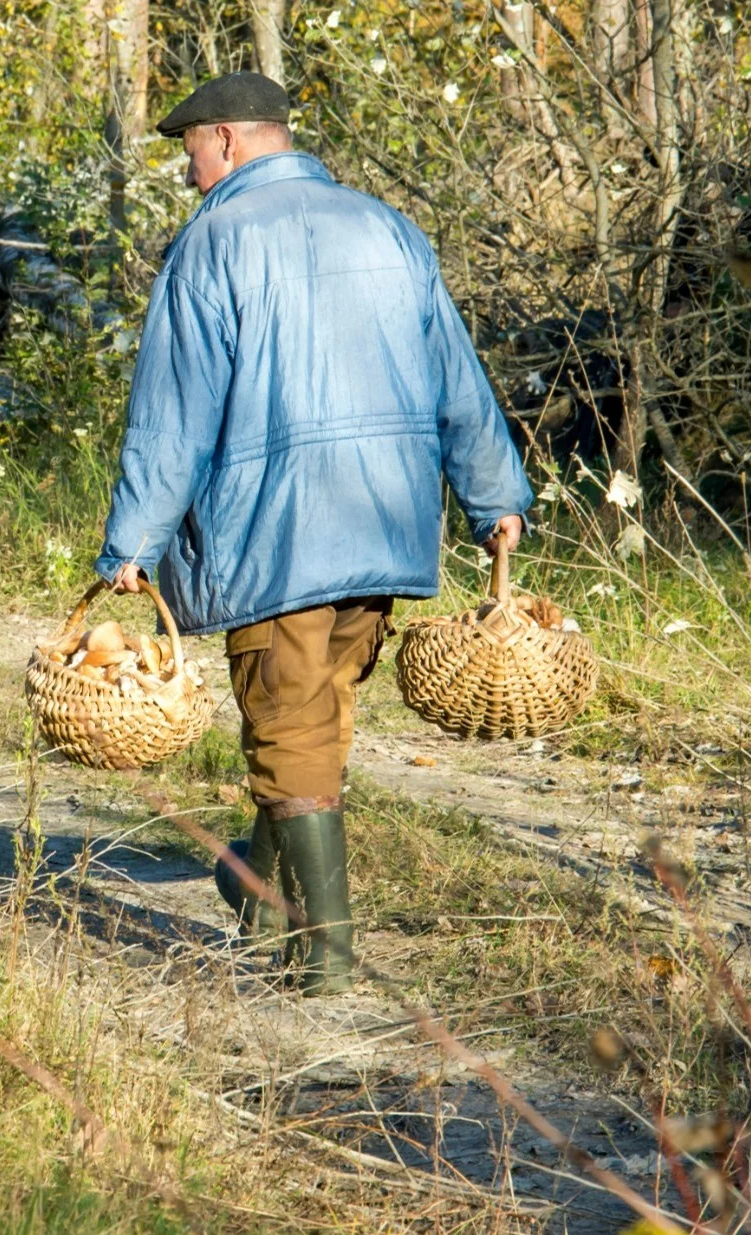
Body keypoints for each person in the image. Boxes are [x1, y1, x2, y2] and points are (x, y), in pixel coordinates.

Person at [97, 71, 530, 995]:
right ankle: (255, 889)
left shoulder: (212, 243)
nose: (188, 171)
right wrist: (495, 494)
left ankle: (327, 957)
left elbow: (173, 415)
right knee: (313, 717)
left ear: (224, 140)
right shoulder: (388, 227)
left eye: (189, 151)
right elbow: (456, 374)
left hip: (274, 532)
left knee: (288, 723)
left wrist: (133, 540)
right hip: (383, 525)